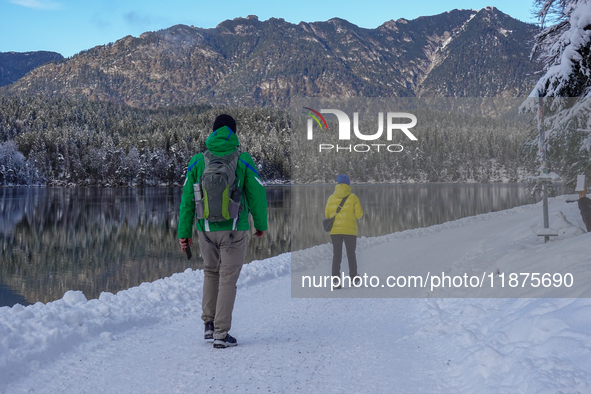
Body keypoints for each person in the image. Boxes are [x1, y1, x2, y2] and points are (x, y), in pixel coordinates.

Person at [178, 114, 267, 348]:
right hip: (234, 230)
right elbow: (257, 194)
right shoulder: (243, 159)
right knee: (228, 279)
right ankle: (221, 333)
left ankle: (209, 325)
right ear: (234, 133)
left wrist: (183, 233)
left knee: (210, 272)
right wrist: (261, 225)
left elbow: (187, 199)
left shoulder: (198, 160)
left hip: (205, 229)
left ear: (213, 132)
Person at [325, 174, 364, 289]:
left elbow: (327, 215)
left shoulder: (331, 198)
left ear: (337, 184)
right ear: (348, 184)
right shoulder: (353, 197)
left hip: (335, 232)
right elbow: (359, 215)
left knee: (336, 256)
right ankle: (353, 277)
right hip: (350, 231)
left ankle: (336, 279)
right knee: (351, 254)